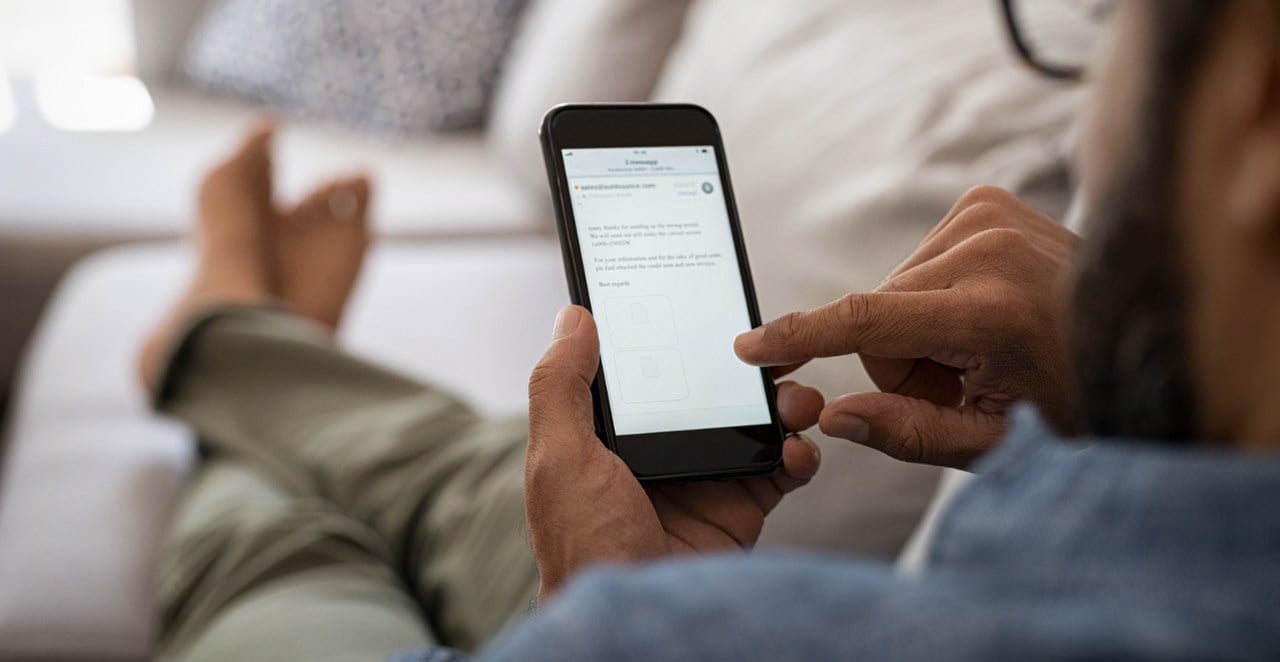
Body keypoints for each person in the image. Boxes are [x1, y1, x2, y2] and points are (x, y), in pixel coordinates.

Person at [143, 0, 1280, 660]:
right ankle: (250, 344)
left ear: (1259, 97)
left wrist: (594, 609)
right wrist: (1123, 402)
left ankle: (225, 336)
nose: (1084, 137)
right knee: (467, 466)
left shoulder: (665, 637)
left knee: (283, 552)